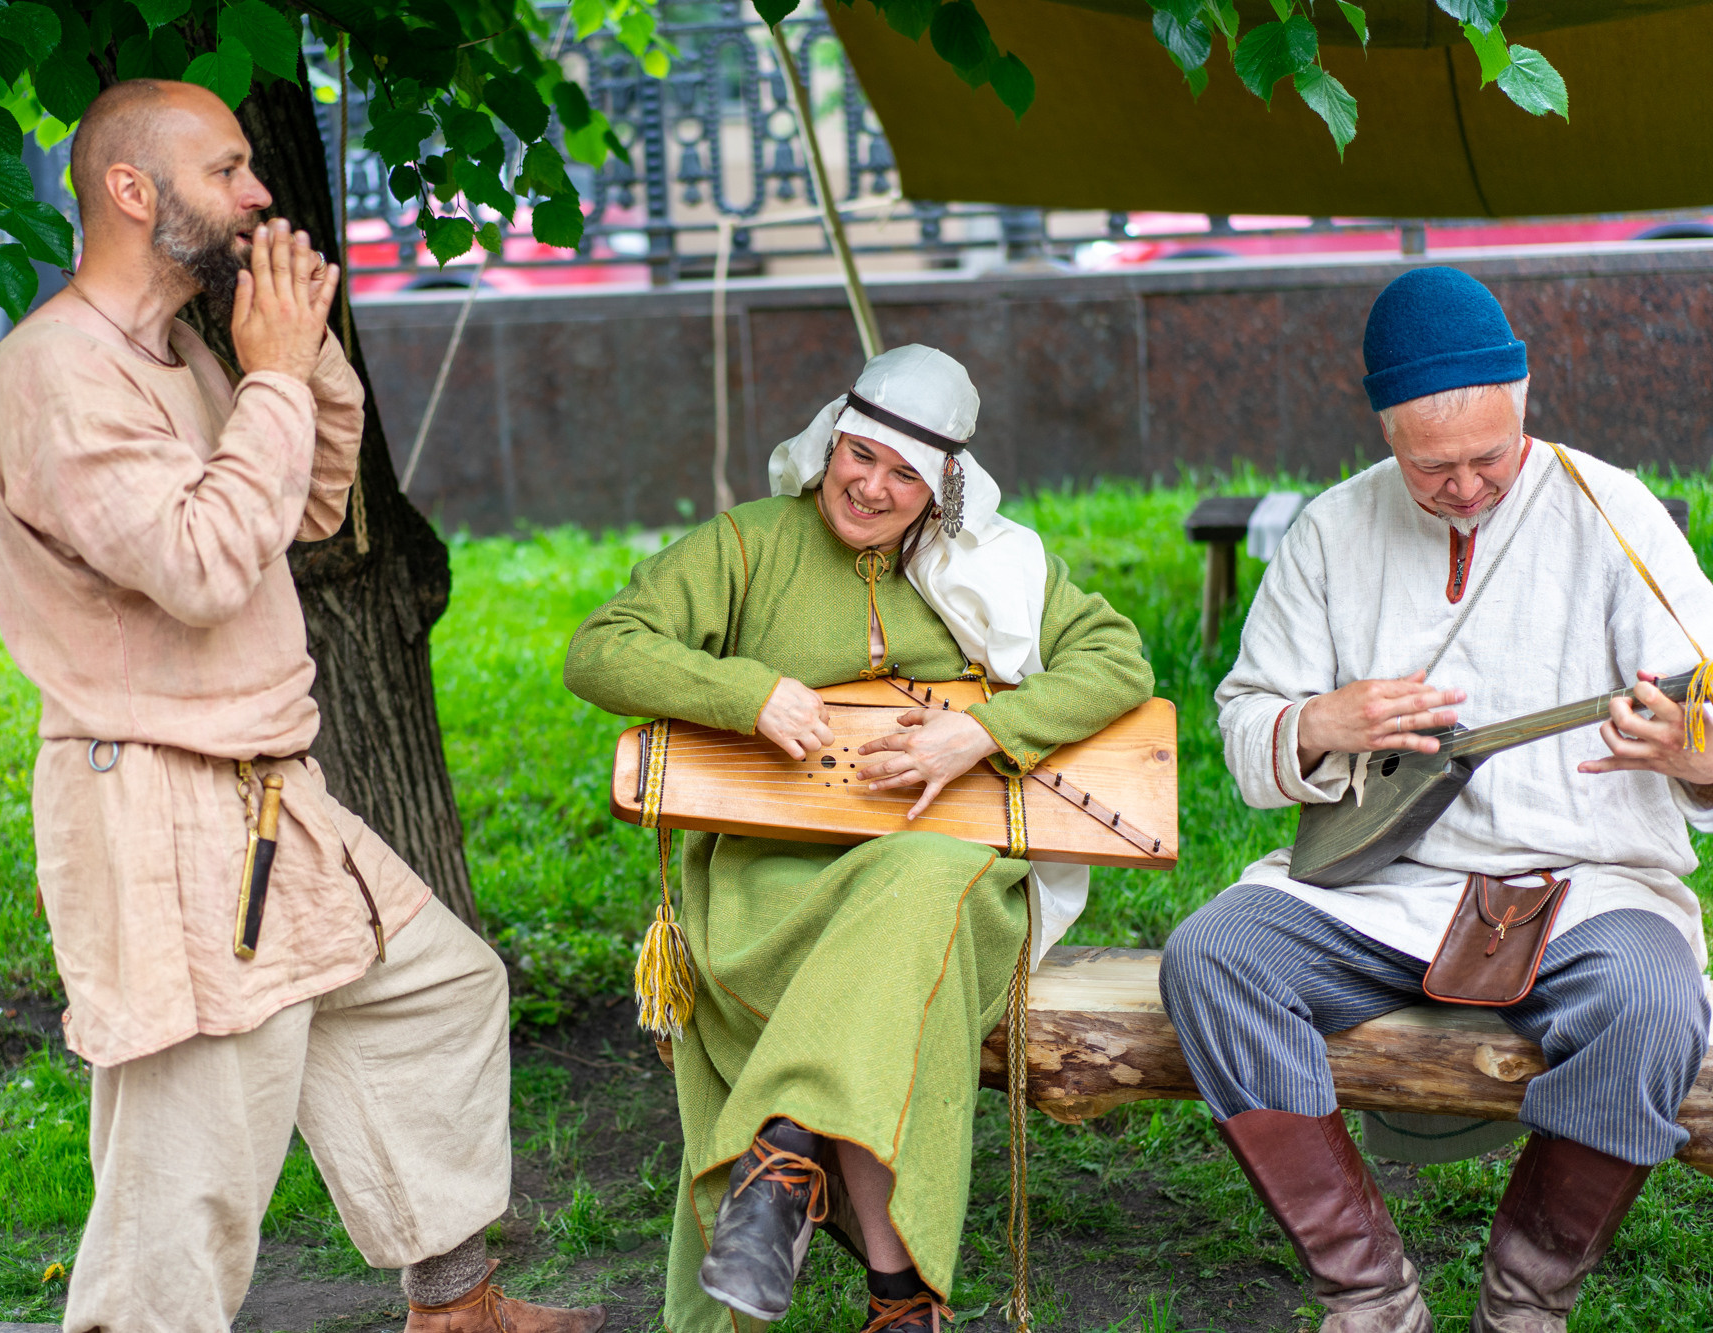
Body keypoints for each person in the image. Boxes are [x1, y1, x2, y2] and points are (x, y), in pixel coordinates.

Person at [0, 78, 606, 1333]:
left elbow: (307, 510)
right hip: (162, 805)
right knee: (189, 1157)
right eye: (227, 171)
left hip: (273, 797)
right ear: (131, 191)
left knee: (435, 990)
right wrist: (266, 376)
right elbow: (207, 567)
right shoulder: (54, 376)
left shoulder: (194, 353)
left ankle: (455, 1303)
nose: (260, 194)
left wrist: (296, 354)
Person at [1160, 266, 1713, 1333]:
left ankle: (1522, 1302)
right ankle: (1370, 1295)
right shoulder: (1328, 530)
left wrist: (1685, 750)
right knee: (1211, 954)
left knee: (1652, 1002)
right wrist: (1321, 724)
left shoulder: (1615, 510)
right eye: (1431, 468)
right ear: (1384, 432)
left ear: (1524, 403)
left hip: (1583, 883)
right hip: (1383, 885)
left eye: (1487, 459)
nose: (1464, 489)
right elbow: (1241, 729)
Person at [563, 345, 1153, 1333]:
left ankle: (783, 1158)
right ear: (828, 443)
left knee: (923, 883)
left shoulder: (987, 566)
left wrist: (983, 730)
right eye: (858, 456)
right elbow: (599, 647)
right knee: (907, 963)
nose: (871, 487)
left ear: (940, 491)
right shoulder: (748, 546)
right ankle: (901, 1302)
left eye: (902, 474)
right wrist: (745, 694)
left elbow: (1116, 659)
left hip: (948, 865)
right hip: (771, 882)